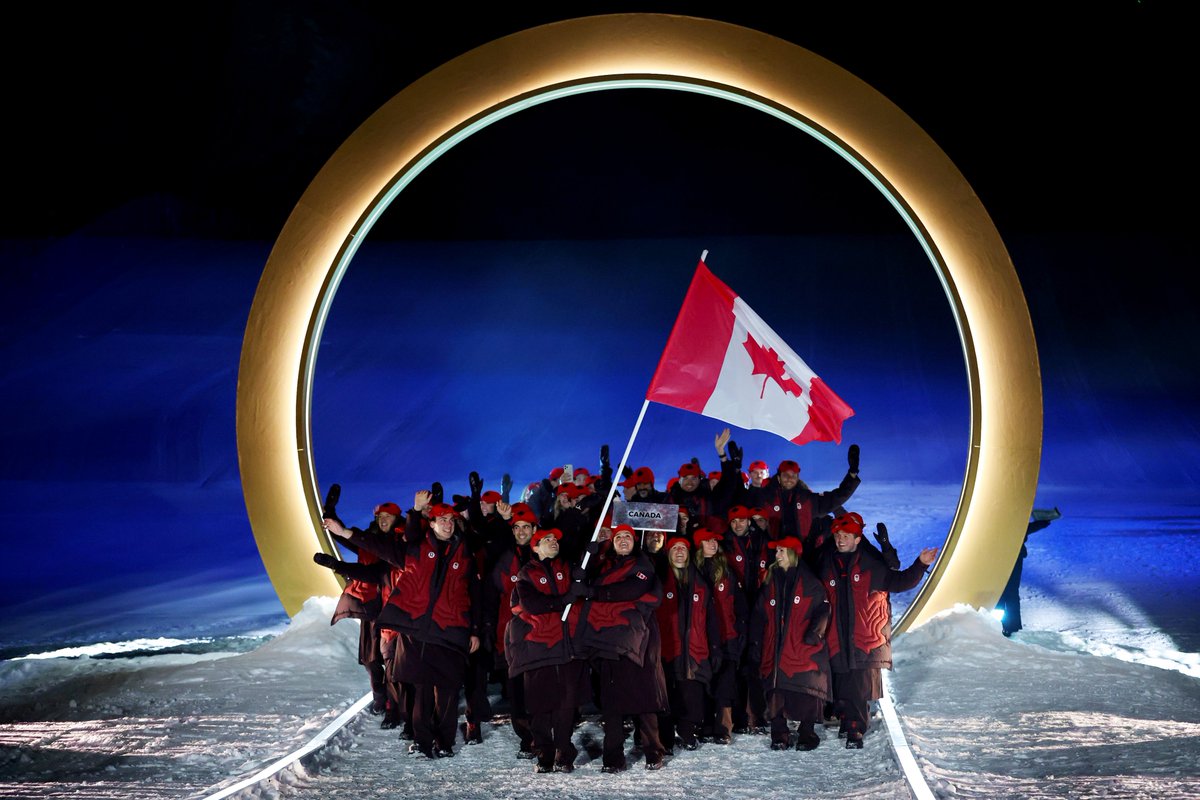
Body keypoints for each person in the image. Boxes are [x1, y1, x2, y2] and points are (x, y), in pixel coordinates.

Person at [326, 493, 481, 759]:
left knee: (447, 691)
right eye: (441, 520)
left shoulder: (466, 554)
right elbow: (376, 546)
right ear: (431, 524)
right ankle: (422, 742)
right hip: (417, 632)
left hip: (450, 632)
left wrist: (476, 630)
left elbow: (476, 594)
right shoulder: (414, 551)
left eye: (451, 520)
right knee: (421, 691)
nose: (447, 524)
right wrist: (344, 532)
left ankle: (444, 742)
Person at [817, 511, 937, 748]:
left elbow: (900, 581)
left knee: (858, 684)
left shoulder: (871, 565)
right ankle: (845, 720)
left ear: (857, 539)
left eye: (847, 536)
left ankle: (855, 729)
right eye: (838, 535)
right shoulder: (825, 562)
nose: (841, 539)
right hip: (836, 636)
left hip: (864, 638)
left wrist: (920, 564)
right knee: (841, 680)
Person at [576, 524, 669, 771]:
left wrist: (594, 592)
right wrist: (591, 555)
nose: (624, 540)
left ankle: (653, 751)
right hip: (606, 642)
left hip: (636, 641)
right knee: (611, 703)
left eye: (628, 536)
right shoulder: (604, 565)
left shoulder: (643, 565)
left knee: (644, 698)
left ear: (635, 540)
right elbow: (580, 578)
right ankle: (613, 758)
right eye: (619, 537)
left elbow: (632, 589)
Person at [505, 528, 591, 773]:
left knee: (565, 705)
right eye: (547, 540)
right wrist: (564, 599)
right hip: (538, 647)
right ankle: (544, 752)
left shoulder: (568, 567)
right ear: (535, 547)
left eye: (555, 539)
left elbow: (584, 581)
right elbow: (533, 605)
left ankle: (564, 751)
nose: (554, 542)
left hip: (568, 647)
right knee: (541, 705)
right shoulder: (527, 574)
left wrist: (589, 558)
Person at [313, 501, 402, 722]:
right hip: (370, 607)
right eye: (380, 515)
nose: (383, 520)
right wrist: (330, 512)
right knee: (371, 661)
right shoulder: (369, 540)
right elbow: (344, 535)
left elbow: (373, 572)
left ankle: (392, 707)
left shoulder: (397, 545)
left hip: (392, 610)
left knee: (392, 661)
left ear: (397, 520)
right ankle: (380, 698)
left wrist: (337, 565)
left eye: (389, 517)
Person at [749, 536, 830, 751]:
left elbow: (823, 609)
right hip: (774, 648)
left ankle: (807, 733)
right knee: (775, 692)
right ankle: (779, 734)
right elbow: (759, 613)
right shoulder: (770, 580)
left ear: (793, 553)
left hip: (802, 647)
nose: (777, 556)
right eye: (776, 551)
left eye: (781, 551)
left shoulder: (810, 582)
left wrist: (814, 635)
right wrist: (756, 641)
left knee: (806, 690)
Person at [483, 501, 538, 758]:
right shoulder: (504, 558)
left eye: (527, 527)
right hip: (513, 636)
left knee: (540, 688)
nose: (522, 532)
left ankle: (544, 734)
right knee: (516, 690)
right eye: (517, 528)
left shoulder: (545, 555)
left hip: (542, 636)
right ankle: (527, 739)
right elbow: (493, 597)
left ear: (535, 529)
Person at [656, 536, 721, 752]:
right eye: (674, 548)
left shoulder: (700, 582)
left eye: (683, 548)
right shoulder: (660, 580)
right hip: (667, 648)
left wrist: (715, 648)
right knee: (666, 694)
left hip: (694, 649)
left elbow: (711, 618)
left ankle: (687, 731)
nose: (679, 552)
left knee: (692, 693)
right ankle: (664, 737)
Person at [739, 445, 862, 542]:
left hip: (803, 554)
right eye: (785, 475)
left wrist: (852, 474)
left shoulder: (807, 499)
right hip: (772, 552)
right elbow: (737, 503)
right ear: (778, 477)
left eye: (793, 475)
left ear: (798, 477)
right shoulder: (765, 497)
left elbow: (836, 498)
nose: (789, 478)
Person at [996, 507, 1061, 636]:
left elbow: (1023, 530)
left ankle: (1006, 626)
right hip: (1005, 556)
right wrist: (1041, 523)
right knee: (1006, 592)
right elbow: (1023, 530)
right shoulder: (1005, 519)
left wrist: (1041, 523)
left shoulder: (1007, 519)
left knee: (1007, 592)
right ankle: (1007, 626)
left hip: (1010, 556)